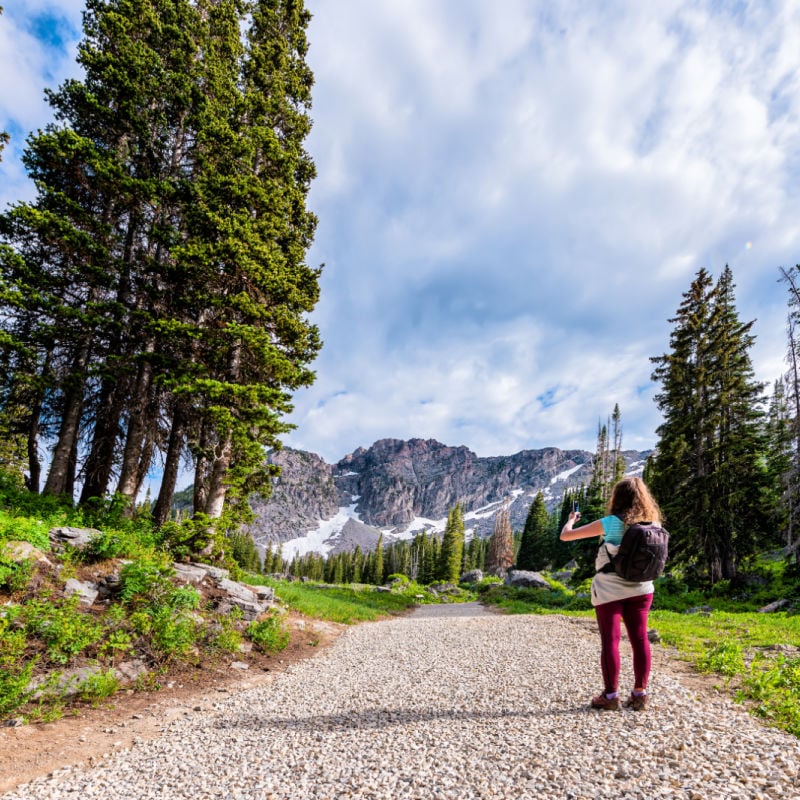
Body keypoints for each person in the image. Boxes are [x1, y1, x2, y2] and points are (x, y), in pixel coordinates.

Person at [559, 476, 663, 711]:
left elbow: (566, 536)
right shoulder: (654, 523)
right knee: (640, 639)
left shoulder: (611, 523)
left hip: (610, 590)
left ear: (618, 498)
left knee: (611, 640)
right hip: (642, 588)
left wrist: (571, 520)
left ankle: (610, 695)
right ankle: (640, 694)